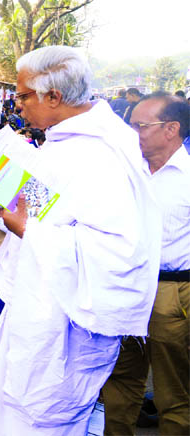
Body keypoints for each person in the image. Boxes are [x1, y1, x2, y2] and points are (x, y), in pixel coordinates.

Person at [0, 46, 160, 436]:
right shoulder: (66, 139)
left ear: (53, 96)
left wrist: (26, 229)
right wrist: (7, 209)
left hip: (62, 326)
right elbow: (51, 209)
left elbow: (119, 251)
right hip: (31, 306)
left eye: (22, 96)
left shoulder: (103, 153)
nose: (16, 106)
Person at [102, 93, 190, 435]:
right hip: (123, 287)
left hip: (171, 293)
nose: (131, 131)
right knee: (119, 383)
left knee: (174, 392)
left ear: (171, 129)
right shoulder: (123, 171)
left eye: (140, 125)